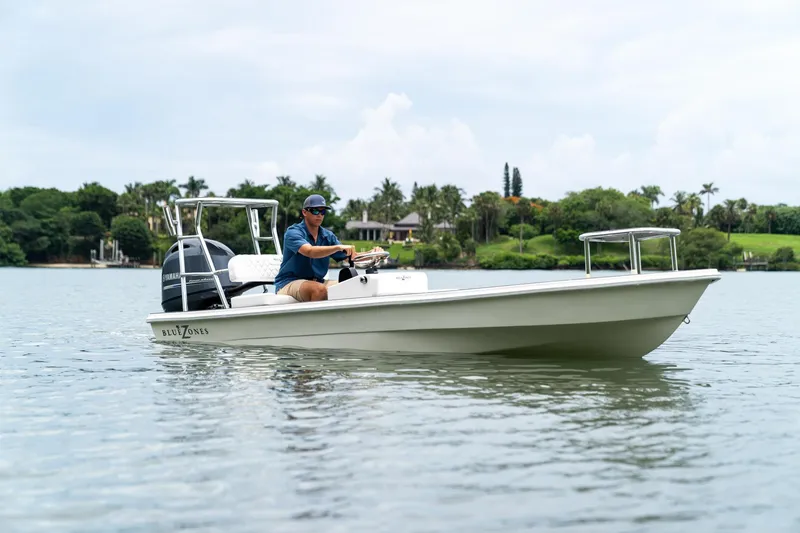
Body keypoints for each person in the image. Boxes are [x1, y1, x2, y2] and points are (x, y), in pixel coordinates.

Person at [273, 194, 363, 302]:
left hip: (318, 282)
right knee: (318, 290)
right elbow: (309, 251)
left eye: (323, 212)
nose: (319, 215)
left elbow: (352, 257)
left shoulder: (327, 236)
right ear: (304, 212)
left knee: (353, 286)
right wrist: (337, 247)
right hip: (289, 282)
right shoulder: (293, 232)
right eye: (315, 211)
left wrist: (374, 254)